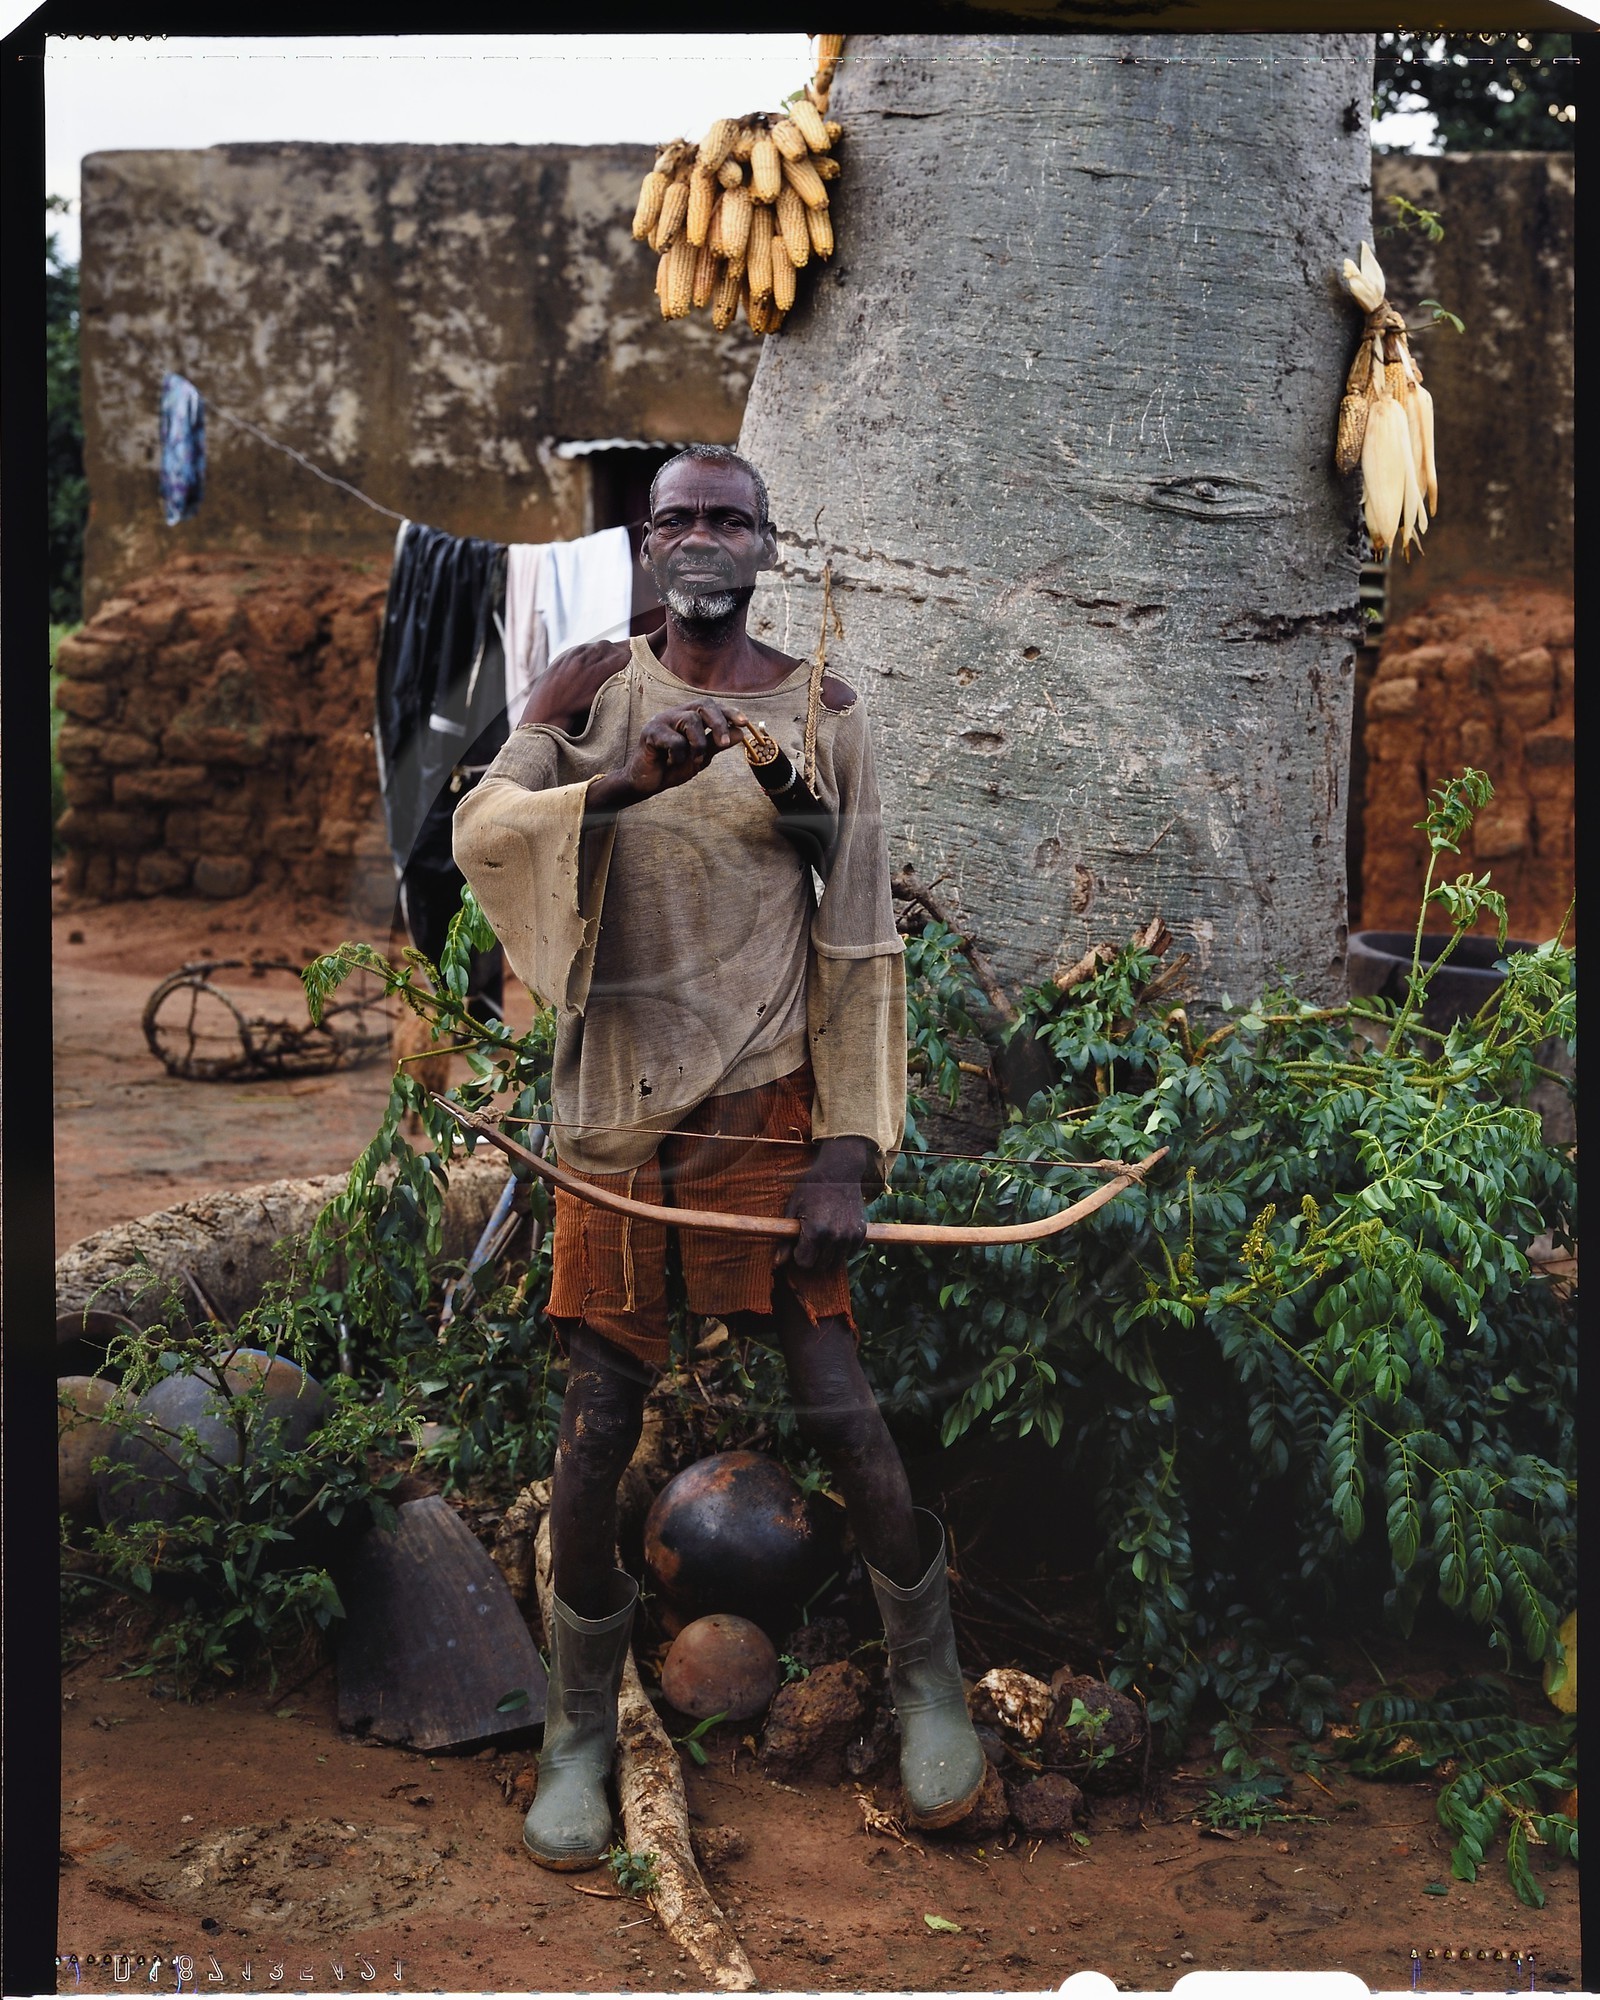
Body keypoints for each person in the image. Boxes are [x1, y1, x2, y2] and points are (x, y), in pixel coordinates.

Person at [453, 444, 985, 1871]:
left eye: (730, 518)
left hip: (761, 1099)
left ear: (766, 543)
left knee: (833, 1391)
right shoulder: (590, 691)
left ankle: (928, 1668)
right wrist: (613, 780)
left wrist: (850, 1150)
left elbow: (863, 936)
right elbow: (486, 838)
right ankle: (578, 1725)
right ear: (648, 536)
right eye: (680, 515)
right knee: (597, 1412)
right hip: (611, 1106)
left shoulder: (827, 715)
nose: (704, 536)